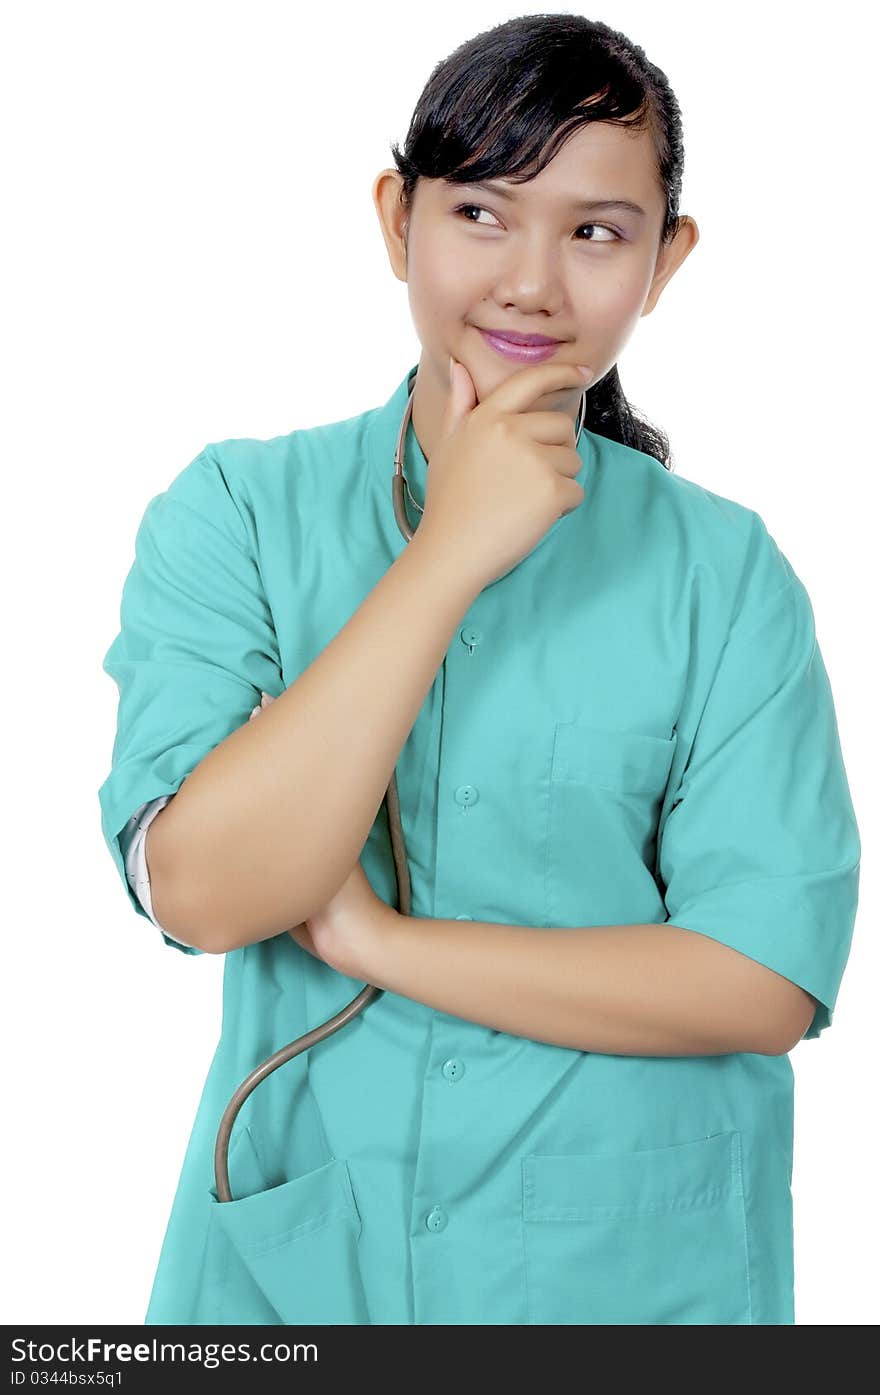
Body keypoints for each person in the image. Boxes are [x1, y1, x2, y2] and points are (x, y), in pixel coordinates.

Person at [98, 14, 860, 1325]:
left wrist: (377, 940)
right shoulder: (236, 512)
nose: (532, 283)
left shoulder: (725, 573)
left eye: (598, 231)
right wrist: (446, 555)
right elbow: (204, 891)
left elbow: (762, 980)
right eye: (481, 212)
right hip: (306, 1267)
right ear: (397, 219)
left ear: (666, 259)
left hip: (634, 1273)